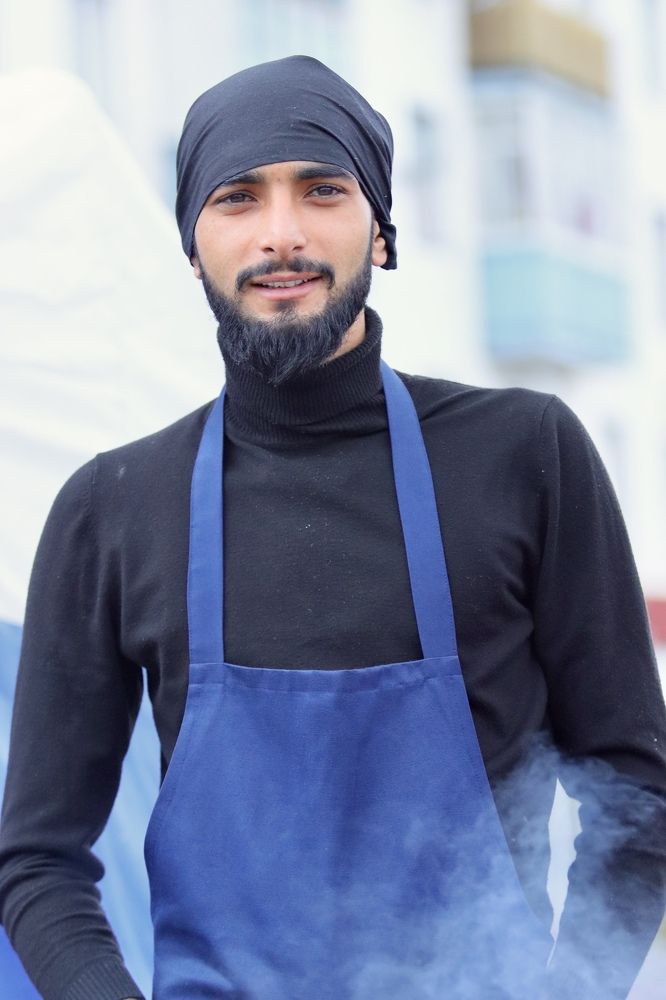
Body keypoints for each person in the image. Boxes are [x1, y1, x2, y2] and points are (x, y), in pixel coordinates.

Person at [1, 55, 665, 1000]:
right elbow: (37, 859)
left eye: (322, 190)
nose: (282, 233)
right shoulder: (111, 507)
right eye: (237, 197)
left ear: (381, 232)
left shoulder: (525, 455)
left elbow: (639, 792)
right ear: (191, 243)